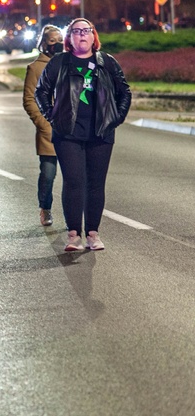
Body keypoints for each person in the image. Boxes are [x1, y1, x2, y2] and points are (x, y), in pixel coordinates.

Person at [35, 18, 131, 252]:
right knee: (74, 182)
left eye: (86, 31)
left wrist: (115, 118)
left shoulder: (106, 62)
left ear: (93, 36)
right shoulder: (60, 62)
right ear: (70, 39)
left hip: (101, 134)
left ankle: (93, 234)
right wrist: (53, 117)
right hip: (68, 134)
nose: (81, 35)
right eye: (76, 32)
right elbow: (41, 92)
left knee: (96, 184)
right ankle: (73, 234)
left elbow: (124, 92)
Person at [23, 25, 63, 227]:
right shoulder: (36, 68)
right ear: (44, 43)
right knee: (48, 175)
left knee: (74, 178)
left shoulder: (69, 64)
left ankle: (73, 216)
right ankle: (45, 207)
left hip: (71, 132)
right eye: (52, 40)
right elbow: (29, 100)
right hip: (49, 131)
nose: (57, 44)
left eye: (60, 40)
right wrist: (43, 124)